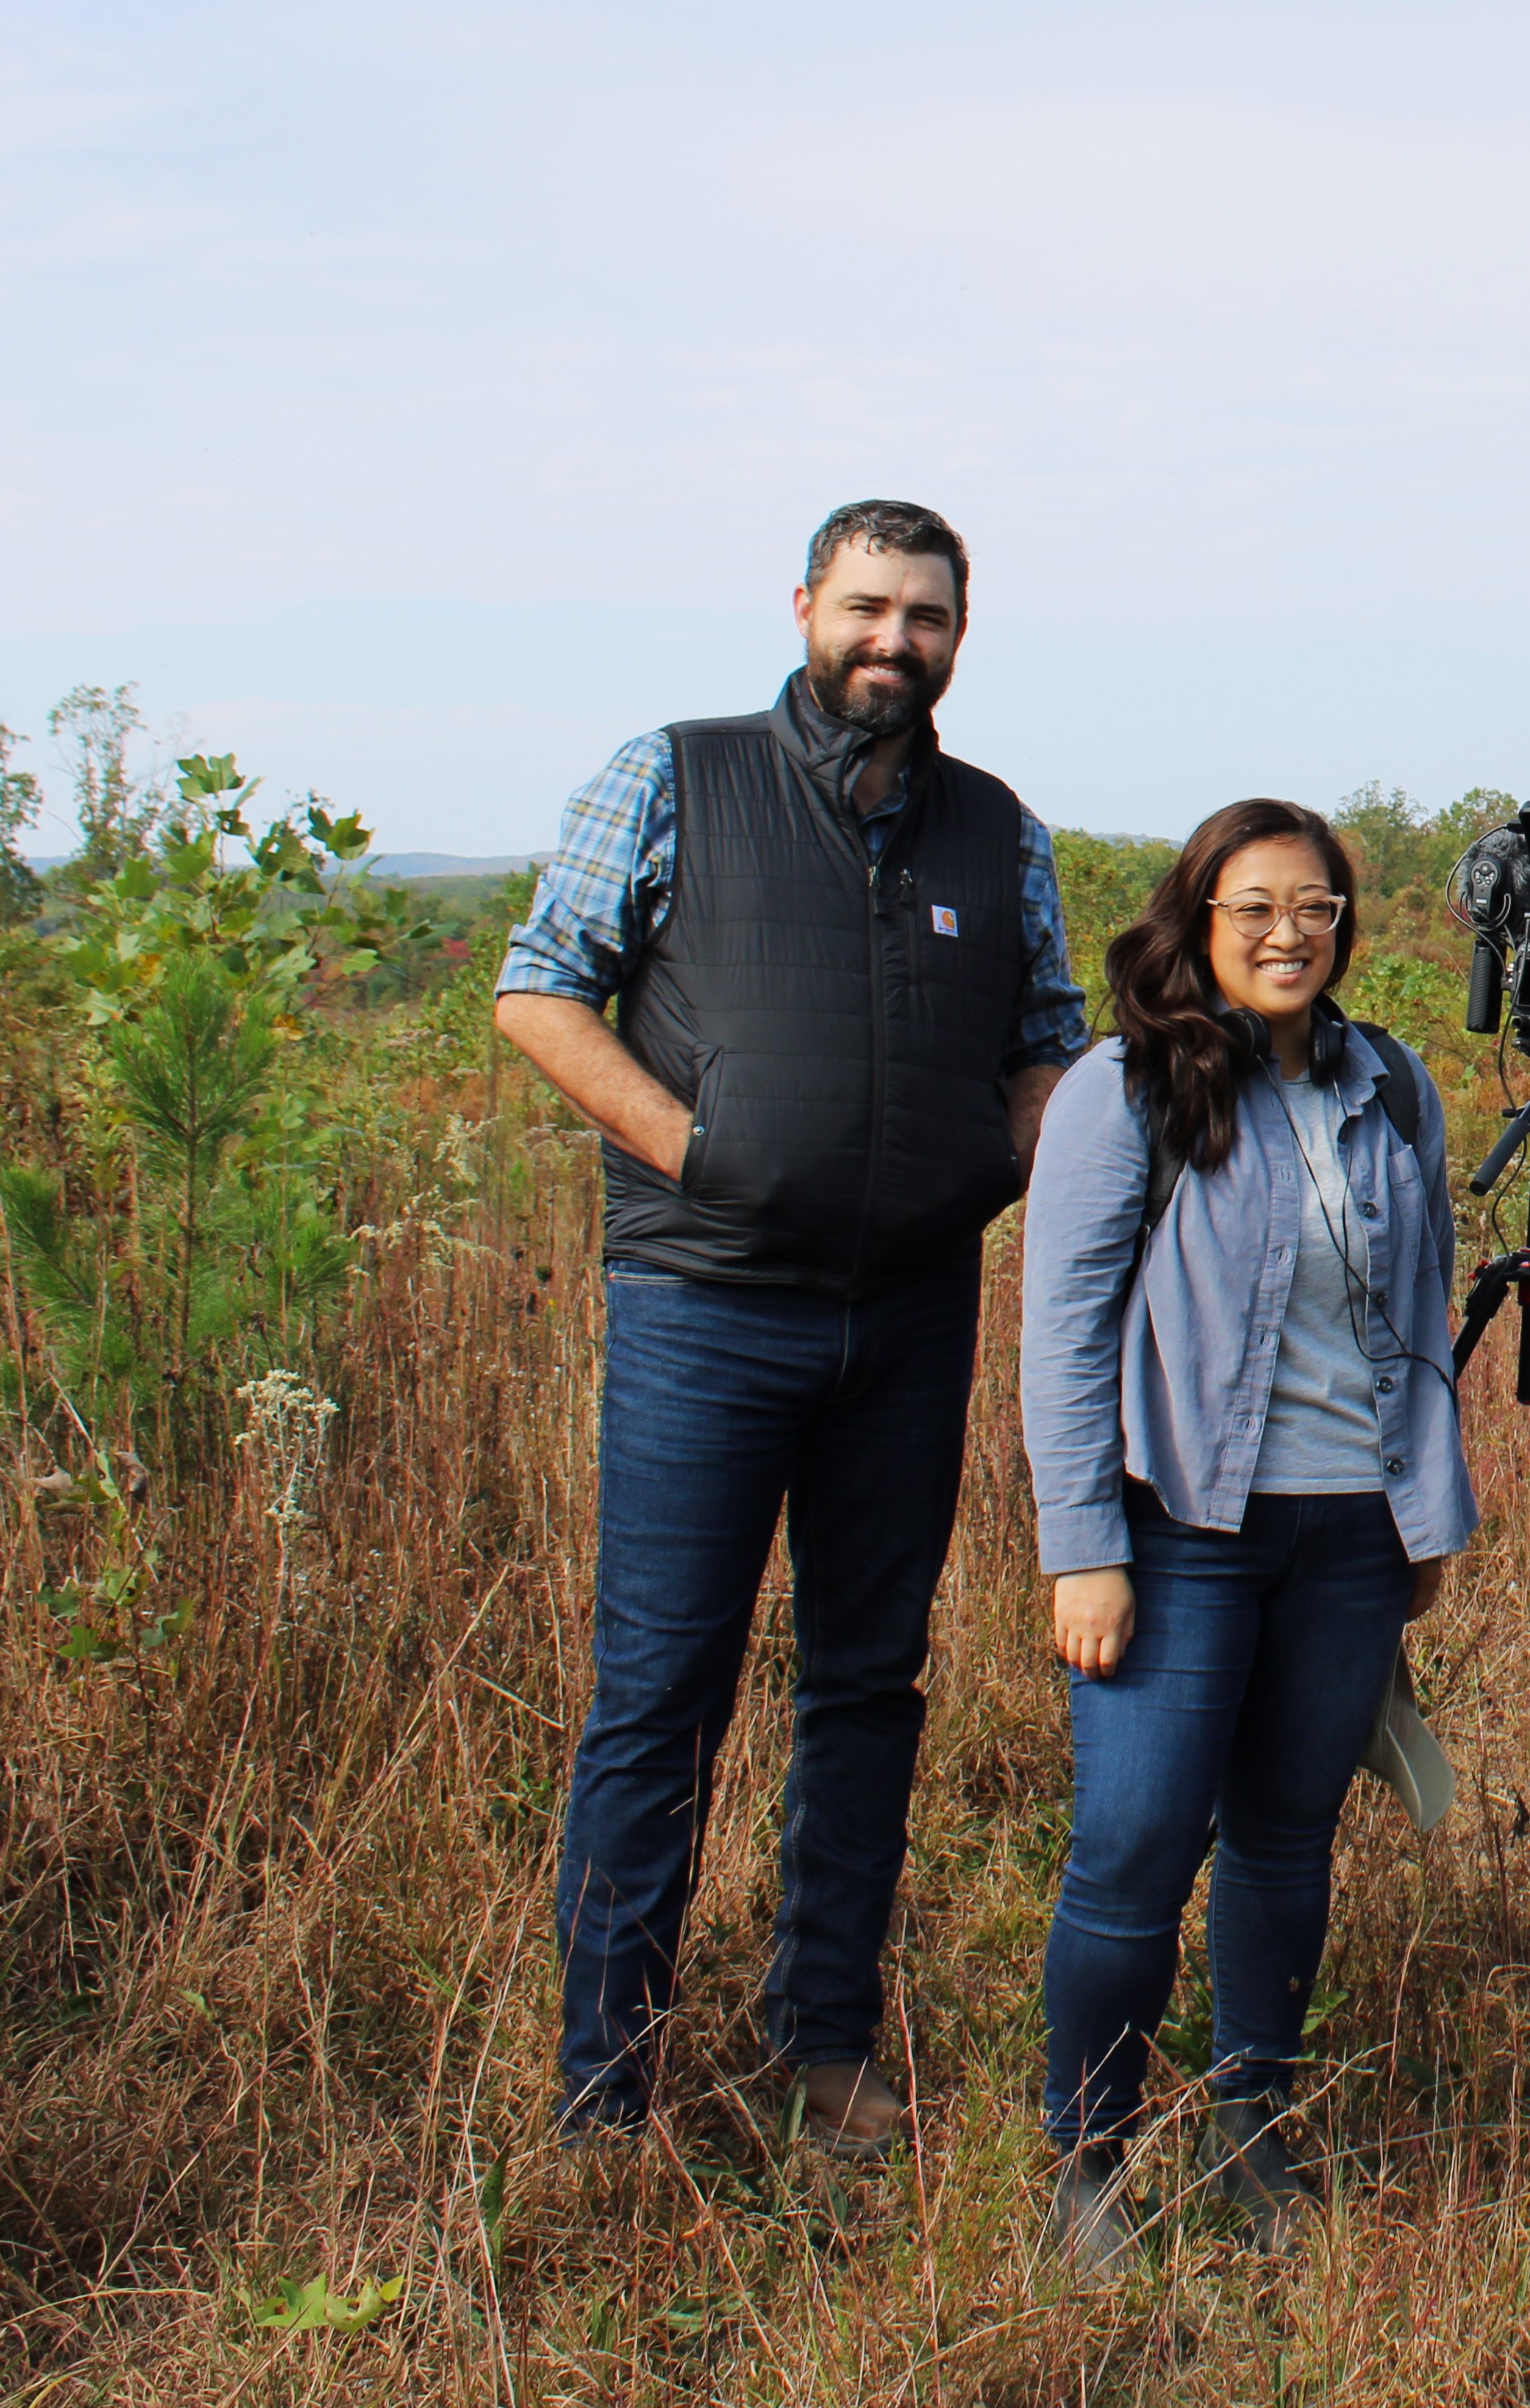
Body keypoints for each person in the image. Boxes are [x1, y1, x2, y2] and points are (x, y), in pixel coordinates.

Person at [496, 498, 1092, 2153]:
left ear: (963, 635)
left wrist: (1007, 1147)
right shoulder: (676, 772)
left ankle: (824, 2042)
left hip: (909, 1315)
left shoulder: (999, 827)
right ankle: (605, 2082)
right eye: (868, 607)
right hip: (707, 1307)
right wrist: (703, 1147)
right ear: (806, 606)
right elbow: (541, 985)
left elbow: (1048, 1032)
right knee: (660, 1692)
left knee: (867, 1684)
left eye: (928, 616)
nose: (894, 640)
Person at [1015, 798, 1471, 2269]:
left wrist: (1427, 1503)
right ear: (1200, 918)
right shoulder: (1129, 1080)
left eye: (1318, 907)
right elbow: (1065, 1331)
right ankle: (1087, 2155)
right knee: (1138, 1840)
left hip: (1348, 1528)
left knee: (1286, 1835)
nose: (1290, 932)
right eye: (1258, 906)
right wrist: (1081, 1539)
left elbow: (1423, 1312)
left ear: (1346, 924)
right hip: (1181, 1529)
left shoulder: (1390, 1082)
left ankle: (1252, 2119)